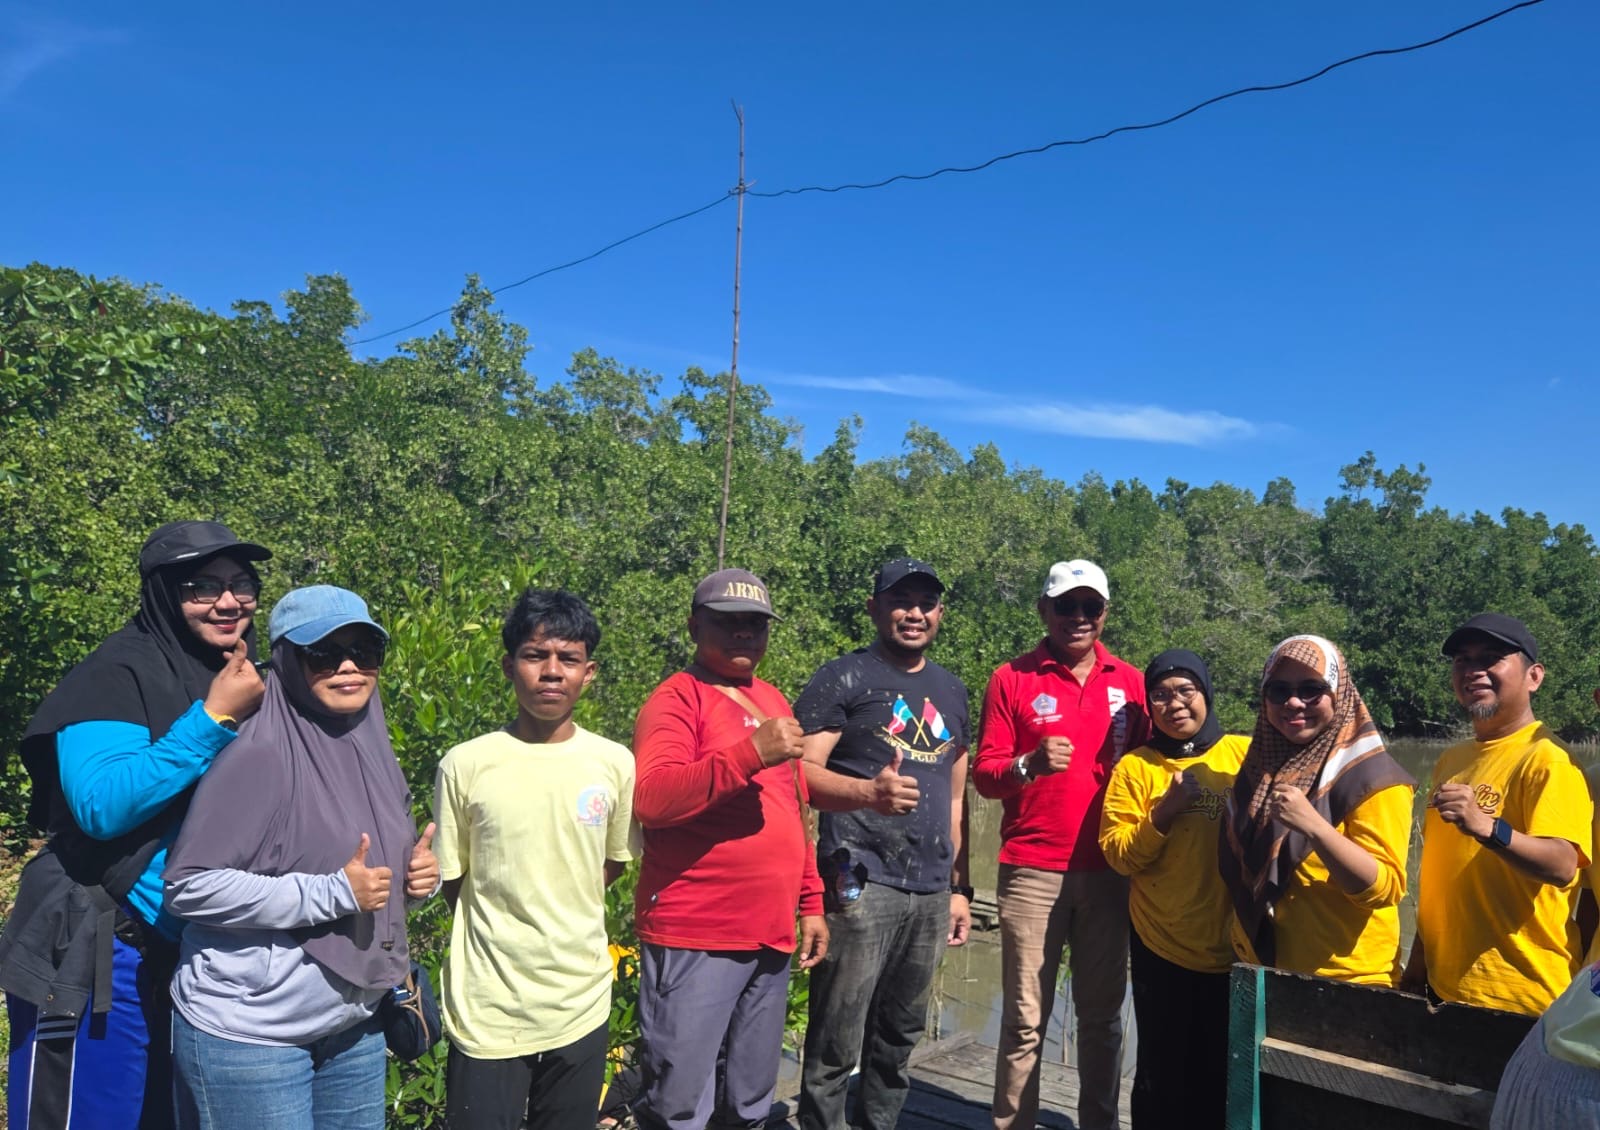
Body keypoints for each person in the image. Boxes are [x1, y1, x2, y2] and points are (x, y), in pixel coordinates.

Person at [0, 520, 270, 1130]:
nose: (229, 602)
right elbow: (101, 805)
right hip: (101, 941)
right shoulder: (115, 674)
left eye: (242, 584)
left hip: (200, 959)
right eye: (204, 586)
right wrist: (213, 719)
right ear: (164, 593)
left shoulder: (248, 678)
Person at [163, 585, 439, 1129]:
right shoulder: (260, 752)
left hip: (353, 1026)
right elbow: (188, 885)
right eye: (323, 654)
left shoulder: (372, 746)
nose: (348, 666)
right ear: (286, 662)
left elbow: (366, 875)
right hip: (253, 1032)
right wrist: (332, 893)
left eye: (365, 651)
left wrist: (416, 881)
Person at [630, 568, 828, 1130]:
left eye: (755, 624)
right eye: (728, 622)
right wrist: (748, 754)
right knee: (678, 1105)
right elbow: (652, 799)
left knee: (749, 1101)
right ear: (695, 627)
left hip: (770, 932)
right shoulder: (676, 698)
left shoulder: (771, 698)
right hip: (697, 932)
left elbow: (794, 806)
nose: (744, 633)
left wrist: (811, 900)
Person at [434, 589, 638, 1130]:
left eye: (568, 658)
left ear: (588, 673)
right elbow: (454, 878)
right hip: (488, 1006)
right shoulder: (465, 764)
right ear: (509, 666)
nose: (551, 672)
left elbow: (611, 863)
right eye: (534, 655)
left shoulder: (614, 763)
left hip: (580, 1000)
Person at [793, 557, 973, 1130]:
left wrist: (960, 888)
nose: (914, 613)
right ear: (875, 608)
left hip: (930, 890)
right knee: (836, 1038)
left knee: (898, 1039)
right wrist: (867, 793)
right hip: (859, 883)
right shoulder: (842, 677)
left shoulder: (952, 690)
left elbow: (956, 798)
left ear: (940, 613)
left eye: (926, 603)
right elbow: (799, 775)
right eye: (901, 601)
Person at [972, 559, 1149, 1130]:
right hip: (1032, 870)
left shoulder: (1131, 682)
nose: (1079, 617)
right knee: (1025, 1021)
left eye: (1090, 606)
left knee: (1102, 1019)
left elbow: (1156, 765)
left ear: (1105, 613)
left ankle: (1100, 1123)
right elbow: (985, 775)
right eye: (1066, 605)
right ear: (1043, 610)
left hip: (1110, 872)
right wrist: (1028, 763)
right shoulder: (1011, 678)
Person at [1404, 613, 1592, 1016]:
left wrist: (1489, 828)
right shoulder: (1452, 759)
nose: (1474, 670)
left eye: (1491, 658)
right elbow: (1441, 875)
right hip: (1443, 986)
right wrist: (1418, 961)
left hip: (1518, 997)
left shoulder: (1548, 760)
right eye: (1463, 660)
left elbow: (1563, 865)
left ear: (1534, 677)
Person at [1099, 649, 1249, 1130]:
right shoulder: (1136, 767)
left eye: (1186, 690)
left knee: (1225, 1077)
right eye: (1160, 695)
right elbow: (1118, 854)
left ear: (1207, 693)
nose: (1175, 703)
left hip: (1236, 950)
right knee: (1161, 1077)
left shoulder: (1244, 754)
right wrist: (1164, 812)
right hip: (1161, 944)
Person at [1220, 634, 1413, 986]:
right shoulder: (1260, 770)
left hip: (1347, 980)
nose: (1294, 702)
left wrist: (1316, 827)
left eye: (1312, 689)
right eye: (1278, 690)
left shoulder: (1374, 778)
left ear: (1339, 694)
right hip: (1260, 968)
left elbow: (1384, 890)